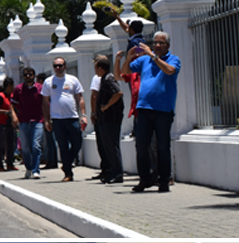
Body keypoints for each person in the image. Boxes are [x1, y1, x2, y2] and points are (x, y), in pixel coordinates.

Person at [119, 31, 181, 193]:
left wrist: (153, 56)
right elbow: (125, 71)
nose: (157, 46)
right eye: (155, 43)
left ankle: (164, 180)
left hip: (163, 110)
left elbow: (169, 71)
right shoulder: (144, 60)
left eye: (161, 43)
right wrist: (128, 56)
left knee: (162, 146)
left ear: (167, 45)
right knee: (141, 146)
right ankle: (144, 179)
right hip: (144, 108)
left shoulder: (173, 59)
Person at [41, 57, 87, 181]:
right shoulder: (48, 82)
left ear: (65, 66)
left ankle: (66, 164)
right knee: (63, 146)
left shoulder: (73, 80)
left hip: (72, 117)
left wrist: (83, 115)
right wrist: (47, 120)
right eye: (55, 66)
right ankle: (68, 173)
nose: (57, 68)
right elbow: (45, 102)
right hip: (57, 119)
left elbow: (80, 98)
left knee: (77, 143)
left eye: (60, 65)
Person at [94, 55, 125, 184]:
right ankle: (111, 171)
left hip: (111, 119)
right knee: (107, 146)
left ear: (101, 68)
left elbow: (118, 93)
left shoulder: (108, 79)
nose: (95, 70)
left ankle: (117, 173)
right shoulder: (104, 79)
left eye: (96, 67)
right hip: (105, 119)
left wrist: (106, 106)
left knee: (112, 146)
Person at [13, 68, 44, 179]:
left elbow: (45, 104)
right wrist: (14, 116)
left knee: (36, 145)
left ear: (34, 76)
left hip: (38, 121)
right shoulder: (18, 89)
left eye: (30, 74)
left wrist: (48, 118)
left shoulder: (40, 88)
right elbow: (12, 104)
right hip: (24, 121)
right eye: (25, 75)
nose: (28, 76)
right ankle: (29, 168)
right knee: (25, 147)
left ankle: (36, 170)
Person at [0, 76, 18, 172]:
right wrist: (6, 112)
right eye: (11, 86)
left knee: (11, 144)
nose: (12, 88)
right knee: (1, 144)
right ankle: (0, 165)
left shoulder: (11, 96)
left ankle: (10, 164)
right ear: (8, 86)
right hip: (1, 123)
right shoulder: (0, 96)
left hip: (10, 123)